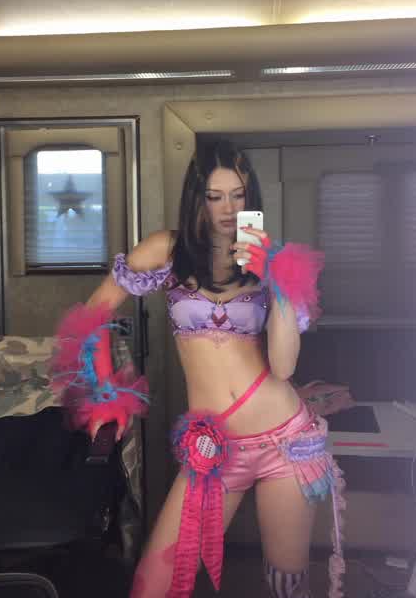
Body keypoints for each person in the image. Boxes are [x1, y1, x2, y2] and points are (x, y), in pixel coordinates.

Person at [52, 141, 344, 598]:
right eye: (215, 196)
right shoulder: (167, 250)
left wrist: (275, 278)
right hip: (212, 448)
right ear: (197, 198)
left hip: (286, 441)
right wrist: (105, 394)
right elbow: (92, 315)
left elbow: (284, 366)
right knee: (153, 586)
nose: (229, 208)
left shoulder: (276, 260)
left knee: (287, 584)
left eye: (239, 194)